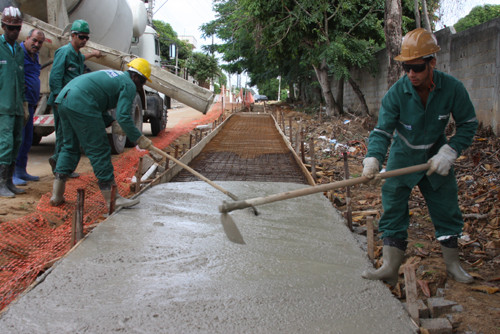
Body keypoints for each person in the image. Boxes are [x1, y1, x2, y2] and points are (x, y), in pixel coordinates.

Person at [361, 28, 478, 285]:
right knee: (392, 206)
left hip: (436, 157)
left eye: (417, 68)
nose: (412, 74)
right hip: (403, 156)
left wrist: (450, 151)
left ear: (432, 63)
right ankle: (390, 267)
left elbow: (469, 124)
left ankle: (453, 265)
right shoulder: (396, 94)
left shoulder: (452, 89)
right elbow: (382, 131)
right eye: (406, 68)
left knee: (446, 207)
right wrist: (373, 159)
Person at [49, 58, 153, 210]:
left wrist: (111, 122)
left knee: (69, 146)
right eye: (142, 82)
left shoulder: (115, 76)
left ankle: (57, 195)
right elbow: (124, 116)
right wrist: (139, 138)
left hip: (64, 99)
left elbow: (99, 101)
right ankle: (113, 199)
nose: (141, 86)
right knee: (100, 150)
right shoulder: (129, 84)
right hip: (82, 102)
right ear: (136, 77)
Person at [47, 19, 102, 178]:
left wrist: (93, 54)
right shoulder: (64, 52)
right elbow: (55, 77)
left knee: (70, 135)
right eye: (81, 37)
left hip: (72, 102)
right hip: (62, 101)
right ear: (73, 35)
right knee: (64, 135)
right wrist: (58, 99)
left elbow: (81, 59)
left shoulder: (77, 54)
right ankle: (58, 165)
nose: (84, 40)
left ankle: (63, 166)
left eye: (86, 38)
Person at [0, 6, 28, 198]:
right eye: (10, 28)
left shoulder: (19, 50)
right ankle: (1, 183)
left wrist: (24, 105)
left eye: (17, 28)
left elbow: (21, 80)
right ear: (3, 27)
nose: (14, 32)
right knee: (5, 144)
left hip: (17, 107)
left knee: (16, 142)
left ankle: (9, 181)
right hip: (3, 108)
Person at [12, 29, 45, 186]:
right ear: (27, 38)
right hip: (20, 103)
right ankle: (11, 174)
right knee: (18, 139)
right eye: (34, 40)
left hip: (31, 102)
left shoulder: (35, 55)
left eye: (40, 42)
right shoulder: (18, 52)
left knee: (27, 139)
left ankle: (21, 170)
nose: (36, 44)